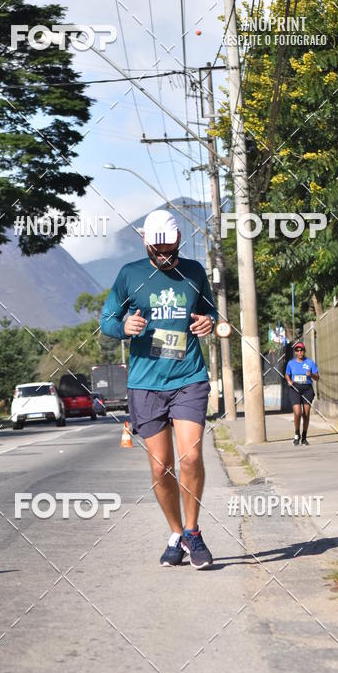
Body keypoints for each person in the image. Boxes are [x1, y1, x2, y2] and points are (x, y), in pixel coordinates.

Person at [100, 209, 218, 569]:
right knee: (161, 468)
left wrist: (208, 322)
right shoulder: (130, 275)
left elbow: (210, 311)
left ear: (179, 239)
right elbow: (106, 320)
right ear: (146, 243)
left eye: (170, 248)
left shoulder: (195, 272)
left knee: (191, 457)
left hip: (188, 378)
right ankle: (176, 532)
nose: (164, 255)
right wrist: (125, 326)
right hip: (146, 384)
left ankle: (193, 532)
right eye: (158, 249)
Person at [285, 341, 320, 446]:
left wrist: (312, 374)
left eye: (301, 350)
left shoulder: (310, 363)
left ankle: (304, 436)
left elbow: (317, 377)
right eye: (297, 350)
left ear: (304, 351)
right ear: (295, 352)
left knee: (306, 413)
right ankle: (296, 434)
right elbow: (287, 374)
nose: (300, 352)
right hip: (295, 388)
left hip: (307, 389)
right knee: (298, 412)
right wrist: (289, 380)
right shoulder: (291, 363)